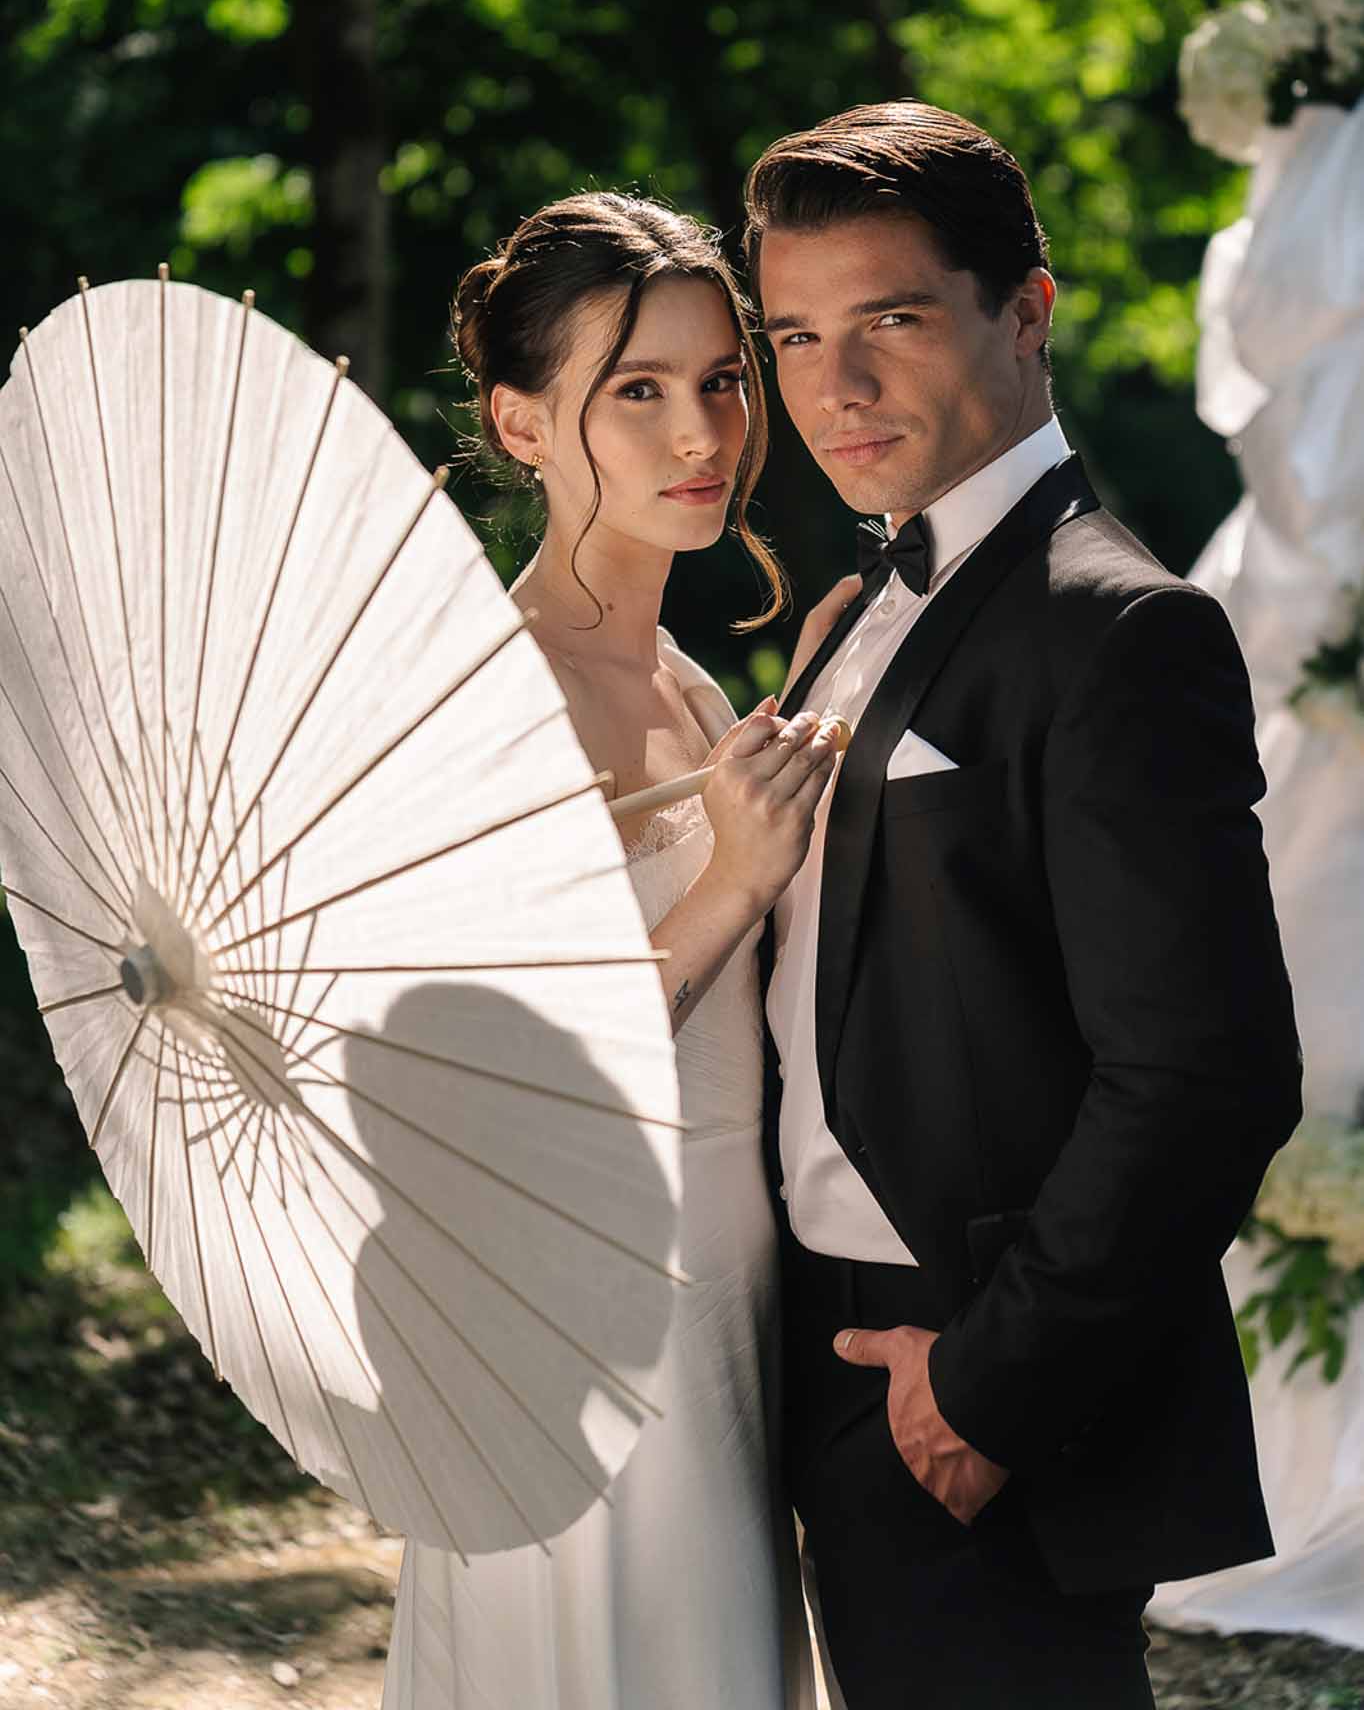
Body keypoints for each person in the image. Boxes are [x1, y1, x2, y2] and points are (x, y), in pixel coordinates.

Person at [746, 100, 1304, 1709]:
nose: (836, 387)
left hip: (974, 1374)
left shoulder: (1122, 629)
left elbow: (1203, 1075)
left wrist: (989, 1385)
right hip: (810, 1344)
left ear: (1028, 311)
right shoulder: (864, 611)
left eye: (891, 323)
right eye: (795, 338)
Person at [382, 191, 843, 1710]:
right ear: (523, 425)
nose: (701, 430)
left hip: (734, 1275)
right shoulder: (485, 699)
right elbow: (522, 1080)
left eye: (722, 377)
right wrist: (734, 878)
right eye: (635, 391)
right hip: (584, 1303)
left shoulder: (687, 683)